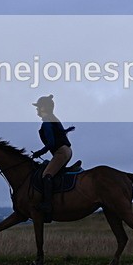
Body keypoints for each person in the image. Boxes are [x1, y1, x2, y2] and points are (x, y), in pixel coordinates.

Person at [32, 94, 74, 222]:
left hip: (60, 152)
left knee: (46, 175)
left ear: (44, 108)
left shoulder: (47, 122)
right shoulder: (53, 120)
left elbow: (51, 143)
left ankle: (47, 205)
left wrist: (39, 153)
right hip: (66, 151)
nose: (37, 109)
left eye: (38, 107)